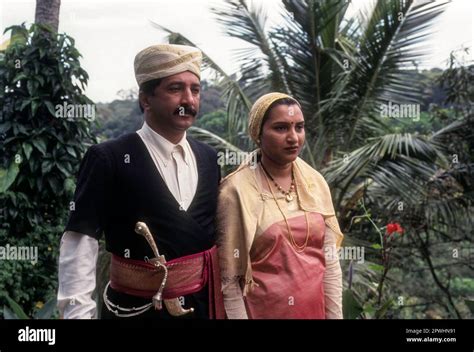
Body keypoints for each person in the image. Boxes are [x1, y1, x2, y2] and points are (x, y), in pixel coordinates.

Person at [57, 44, 224, 319]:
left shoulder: (209, 158)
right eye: (175, 89)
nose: (189, 100)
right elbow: (80, 241)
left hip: (201, 308)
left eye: (195, 90)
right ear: (145, 99)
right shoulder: (107, 157)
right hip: (132, 311)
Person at [216, 92, 344, 319]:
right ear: (258, 134)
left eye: (299, 127)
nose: (294, 138)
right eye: (281, 128)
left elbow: (330, 264)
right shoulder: (236, 191)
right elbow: (230, 280)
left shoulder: (314, 182)